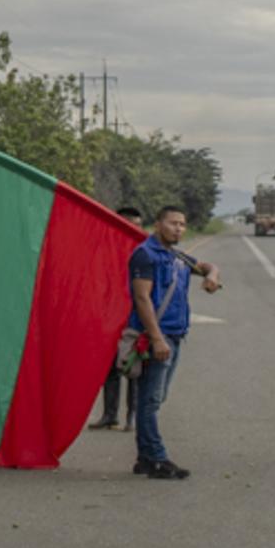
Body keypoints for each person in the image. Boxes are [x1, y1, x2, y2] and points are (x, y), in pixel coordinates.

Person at [127, 206, 221, 480]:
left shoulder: (176, 255)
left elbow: (207, 266)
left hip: (175, 335)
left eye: (182, 224)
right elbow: (142, 298)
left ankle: (144, 457)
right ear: (158, 225)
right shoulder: (146, 255)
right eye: (172, 223)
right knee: (151, 400)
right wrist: (156, 338)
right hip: (158, 336)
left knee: (154, 398)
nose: (178, 229)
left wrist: (212, 276)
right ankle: (156, 458)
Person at [91, 206, 146, 431]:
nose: (131, 229)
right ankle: (109, 415)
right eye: (125, 224)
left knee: (133, 369)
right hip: (108, 319)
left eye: (135, 225)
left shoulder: (145, 253)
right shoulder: (105, 250)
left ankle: (132, 416)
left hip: (135, 319)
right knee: (109, 369)